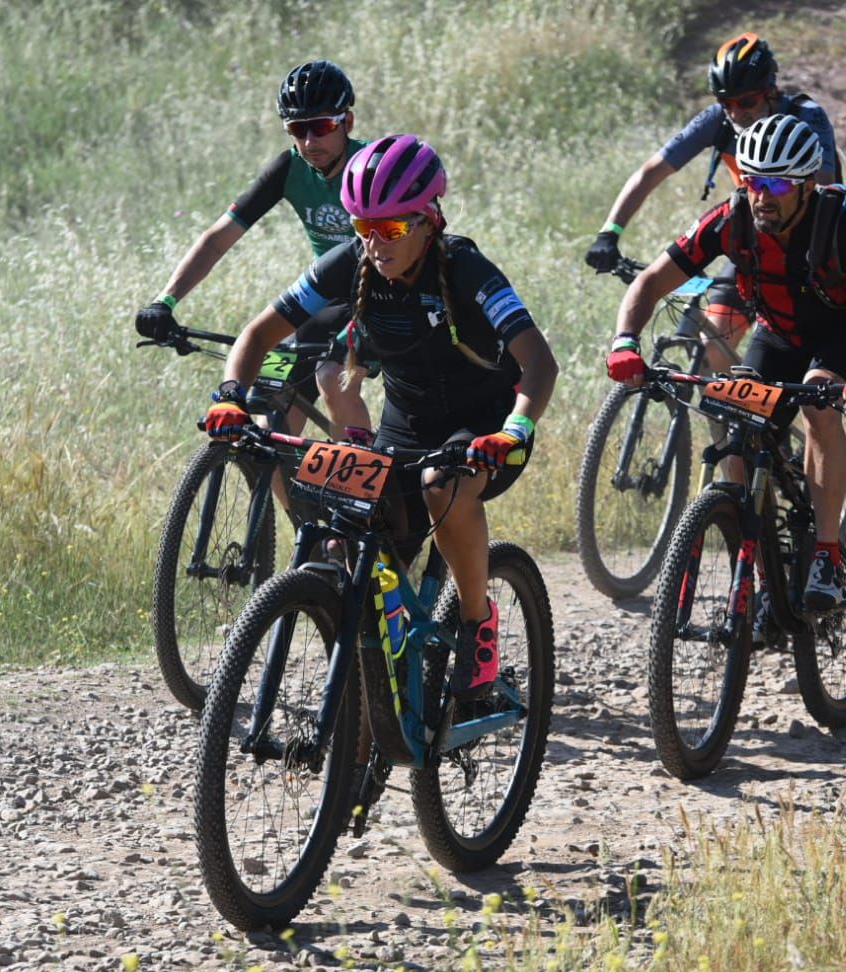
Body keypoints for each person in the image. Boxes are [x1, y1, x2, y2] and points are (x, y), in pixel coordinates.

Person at [201, 134, 557, 701]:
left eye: (390, 229)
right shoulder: (352, 262)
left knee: (443, 489)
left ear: (428, 219)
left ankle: (474, 625)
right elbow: (258, 334)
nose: (375, 244)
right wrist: (230, 397)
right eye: (363, 228)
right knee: (344, 527)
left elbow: (538, 361)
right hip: (405, 428)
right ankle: (369, 702)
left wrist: (515, 429)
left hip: (484, 427)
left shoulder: (465, 268)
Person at [608, 114, 846, 614]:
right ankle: (762, 577)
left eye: (777, 184)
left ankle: (825, 551)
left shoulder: (842, 222)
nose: (763, 195)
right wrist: (625, 341)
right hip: (780, 331)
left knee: (820, 405)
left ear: (805, 186)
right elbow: (650, 281)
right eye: (754, 181)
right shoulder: (732, 218)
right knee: (738, 433)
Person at [585, 33, 842, 370]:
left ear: (770, 91)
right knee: (714, 345)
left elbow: (824, 189)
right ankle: (734, 421)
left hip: (811, 242)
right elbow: (651, 172)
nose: (736, 113)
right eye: (726, 103)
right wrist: (610, 232)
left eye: (746, 102)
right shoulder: (715, 121)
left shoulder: (806, 115)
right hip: (755, 236)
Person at [135, 60, 366, 432]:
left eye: (321, 127)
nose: (309, 141)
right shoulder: (290, 168)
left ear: (347, 123)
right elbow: (217, 239)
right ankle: (286, 490)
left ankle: (368, 484)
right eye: (297, 128)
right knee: (268, 399)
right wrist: (166, 300)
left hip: (380, 297)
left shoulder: (371, 166)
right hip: (324, 297)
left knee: (331, 377)